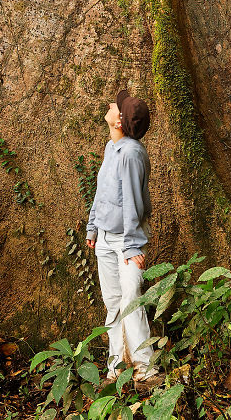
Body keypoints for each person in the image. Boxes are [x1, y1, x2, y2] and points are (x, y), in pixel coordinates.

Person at [86, 89, 163, 390]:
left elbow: (132, 202)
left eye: (115, 107)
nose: (110, 106)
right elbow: (101, 193)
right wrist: (93, 229)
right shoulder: (111, 147)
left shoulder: (131, 153)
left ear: (119, 121)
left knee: (131, 300)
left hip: (125, 242)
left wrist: (132, 245)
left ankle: (145, 368)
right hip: (105, 240)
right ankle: (117, 368)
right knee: (114, 303)